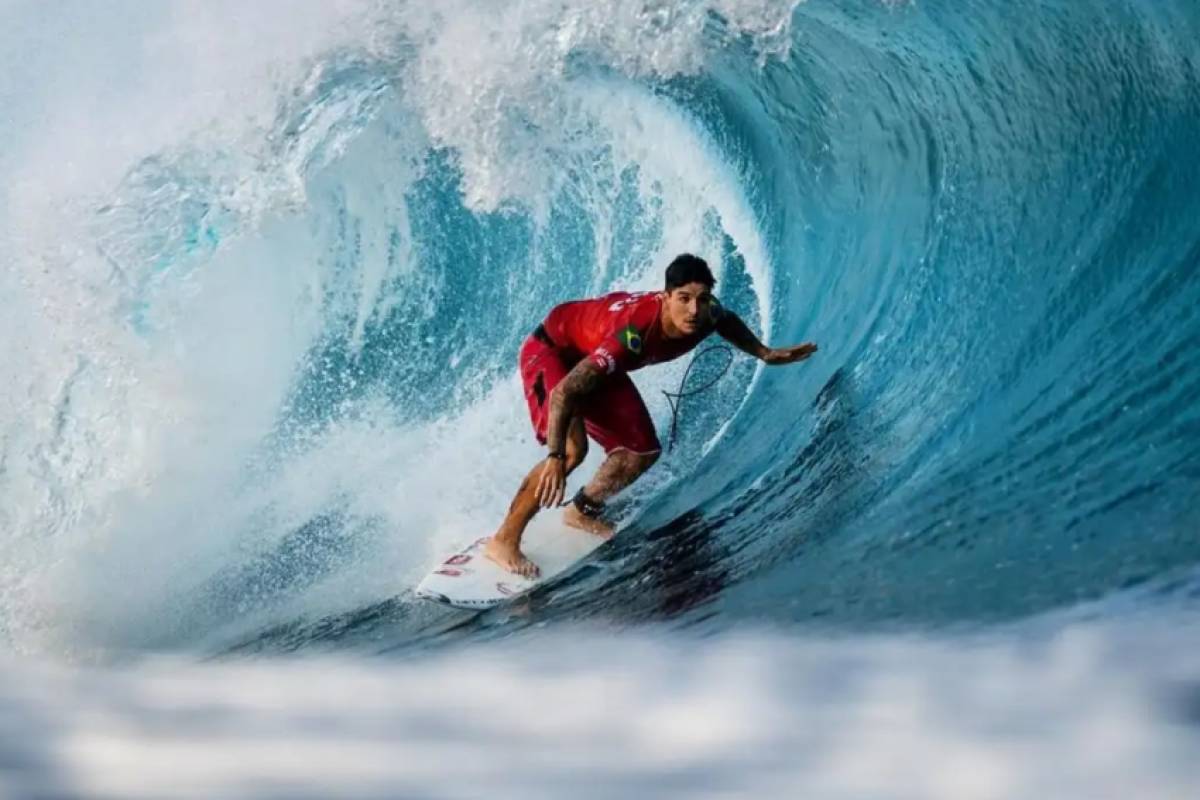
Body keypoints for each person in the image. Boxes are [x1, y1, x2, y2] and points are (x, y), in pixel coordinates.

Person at [485, 253, 818, 577]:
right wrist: (555, 456)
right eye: (683, 299)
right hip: (553, 351)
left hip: (591, 355)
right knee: (574, 450)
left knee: (641, 452)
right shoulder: (632, 335)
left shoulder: (708, 313)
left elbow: (727, 319)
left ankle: (581, 510)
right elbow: (564, 392)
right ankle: (503, 541)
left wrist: (764, 353)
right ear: (665, 297)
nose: (693, 310)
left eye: (701, 299)